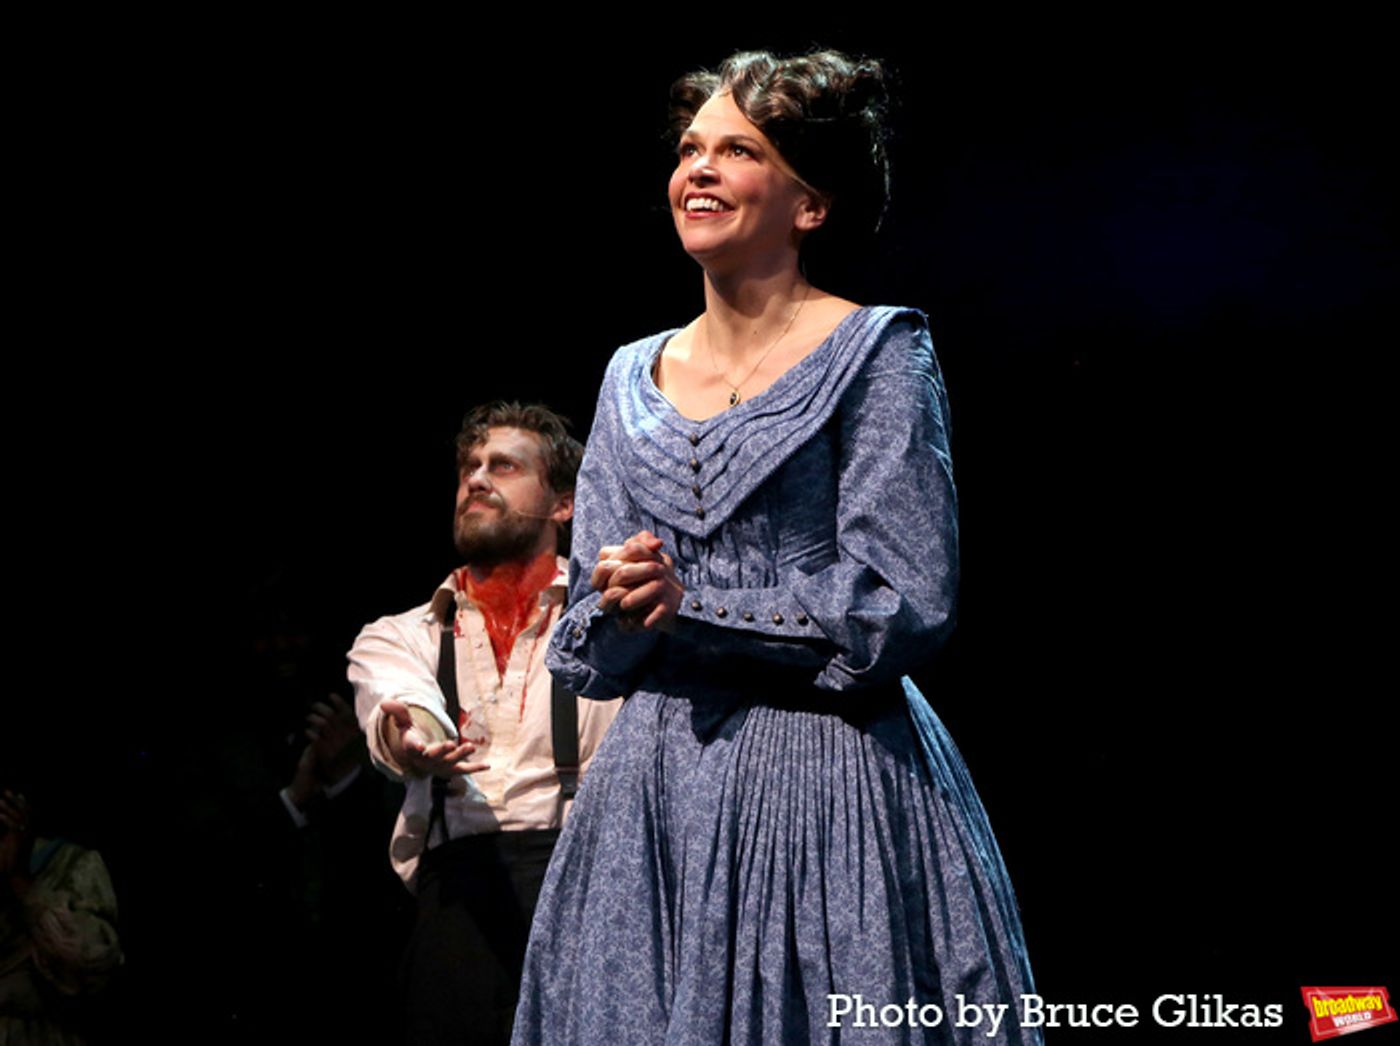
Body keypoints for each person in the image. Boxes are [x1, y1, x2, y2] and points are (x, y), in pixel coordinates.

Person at [513, 50, 1041, 1045]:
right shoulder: (630, 375)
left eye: (737, 150)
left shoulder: (878, 349)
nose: (697, 170)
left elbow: (904, 600)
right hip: (654, 792)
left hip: (826, 772)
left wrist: (694, 606)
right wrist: (619, 602)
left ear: (809, 204)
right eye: (687, 150)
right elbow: (582, 640)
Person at [349, 402, 620, 1046]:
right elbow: (400, 698)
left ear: (564, 504)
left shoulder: (607, 623)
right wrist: (415, 737)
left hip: (582, 892)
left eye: (503, 465)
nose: (476, 478)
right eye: (469, 467)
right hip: (457, 911)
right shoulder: (401, 634)